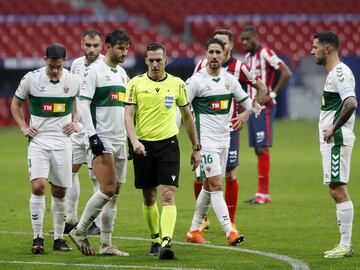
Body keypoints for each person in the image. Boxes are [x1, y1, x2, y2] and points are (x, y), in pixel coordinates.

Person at [124, 42, 201, 260]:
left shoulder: (177, 84)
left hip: (168, 145)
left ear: (166, 60)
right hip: (143, 147)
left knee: (168, 194)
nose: (155, 64)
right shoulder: (135, 84)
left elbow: (187, 117)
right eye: (151, 60)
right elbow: (128, 115)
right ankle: (155, 238)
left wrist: (196, 148)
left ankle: (167, 242)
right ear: (146, 61)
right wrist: (134, 141)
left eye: (159, 60)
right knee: (149, 197)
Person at [185, 38, 261, 245]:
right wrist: (190, 143)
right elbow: (181, 109)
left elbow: (248, 103)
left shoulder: (229, 80)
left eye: (219, 52)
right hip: (205, 141)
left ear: (225, 56)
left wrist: (247, 114)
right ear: (206, 54)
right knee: (217, 184)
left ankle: (193, 231)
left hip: (225, 140)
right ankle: (230, 231)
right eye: (211, 52)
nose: (214, 56)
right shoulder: (196, 81)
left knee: (209, 186)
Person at [10, 43, 81, 254]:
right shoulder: (31, 79)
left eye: (59, 66)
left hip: (62, 142)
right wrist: (23, 126)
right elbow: (15, 104)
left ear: (64, 62)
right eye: (51, 66)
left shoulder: (73, 80)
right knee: (39, 186)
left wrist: (75, 121)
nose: (55, 70)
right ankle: (38, 237)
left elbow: (79, 104)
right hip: (39, 141)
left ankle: (58, 238)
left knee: (60, 190)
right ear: (44, 60)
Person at [69, 29, 131, 257]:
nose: (124, 52)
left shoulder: (123, 74)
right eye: (120, 48)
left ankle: (106, 244)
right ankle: (80, 230)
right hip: (101, 139)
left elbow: (126, 110)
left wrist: (131, 138)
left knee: (114, 195)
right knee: (107, 189)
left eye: (126, 49)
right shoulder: (94, 72)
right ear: (108, 47)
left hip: (119, 140)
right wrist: (92, 136)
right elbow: (83, 104)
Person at [311, 31, 357, 258]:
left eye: (315, 47)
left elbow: (351, 103)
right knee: (335, 189)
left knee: (337, 190)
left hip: (336, 140)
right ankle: (345, 245)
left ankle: (345, 245)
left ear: (327, 49)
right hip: (332, 140)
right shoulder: (335, 74)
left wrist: (334, 128)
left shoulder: (339, 73)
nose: (312, 51)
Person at [240, 25, 293, 204]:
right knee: (257, 148)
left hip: (265, 108)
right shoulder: (248, 57)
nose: (245, 42)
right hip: (253, 107)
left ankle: (263, 193)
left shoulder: (265, 53)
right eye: (242, 40)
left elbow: (286, 72)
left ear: (256, 37)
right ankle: (261, 193)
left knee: (262, 147)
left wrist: (272, 94)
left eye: (248, 39)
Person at [65, 28, 104, 235]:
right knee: (70, 171)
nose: (91, 49)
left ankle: (93, 222)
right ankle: (70, 219)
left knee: (95, 177)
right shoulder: (76, 64)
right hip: (77, 129)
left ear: (101, 46)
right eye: (88, 45)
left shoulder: (105, 66)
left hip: (95, 128)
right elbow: (73, 95)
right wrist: (73, 119)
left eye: (95, 45)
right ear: (82, 44)